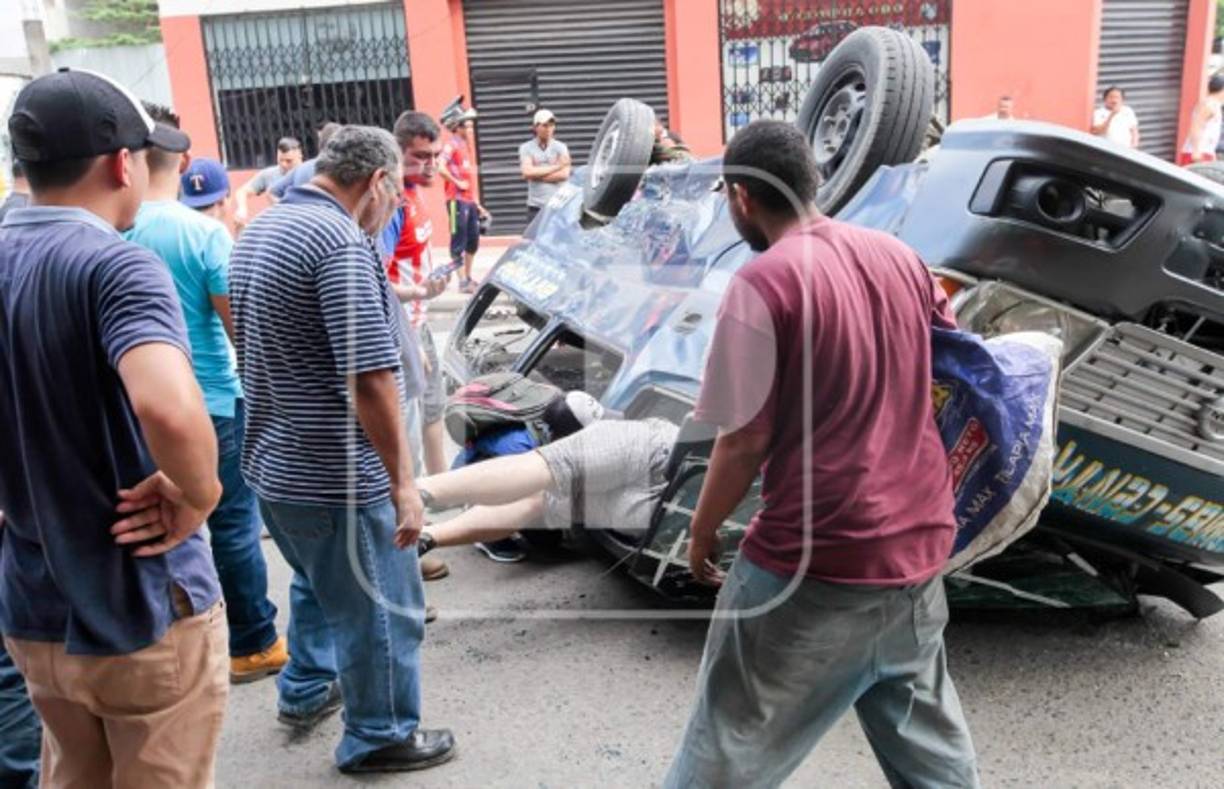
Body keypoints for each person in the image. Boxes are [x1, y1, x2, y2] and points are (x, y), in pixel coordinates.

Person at [663, 120, 979, 788]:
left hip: (815, 560)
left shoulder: (763, 283)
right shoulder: (899, 257)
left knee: (727, 744)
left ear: (742, 197)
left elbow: (743, 438)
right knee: (930, 753)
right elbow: (952, 366)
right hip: (917, 549)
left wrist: (701, 529)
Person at [0, 69, 228, 786]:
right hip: (139, 605)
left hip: (35, 611)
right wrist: (199, 492)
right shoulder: (116, 265)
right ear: (121, 164)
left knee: (74, 773)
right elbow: (167, 405)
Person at [229, 124, 455, 774]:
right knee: (382, 609)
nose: (396, 206)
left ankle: (305, 686)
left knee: (318, 584)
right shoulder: (338, 241)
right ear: (377, 182)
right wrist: (404, 484)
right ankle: (379, 734)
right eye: (397, 192)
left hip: (276, 466)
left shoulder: (262, 230)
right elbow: (370, 377)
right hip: (337, 477)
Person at [125, 103, 288, 685]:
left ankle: (167, 639)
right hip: (213, 401)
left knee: (154, 522)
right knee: (233, 523)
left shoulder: (109, 228)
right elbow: (238, 327)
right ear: (184, 161)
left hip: (134, 405)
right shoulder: (203, 233)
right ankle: (252, 642)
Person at [414, 391, 622, 557]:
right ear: (569, 435)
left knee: (550, 533)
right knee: (543, 531)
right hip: (478, 474)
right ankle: (486, 537)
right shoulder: (520, 448)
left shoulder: (552, 421)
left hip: (495, 462)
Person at [439, 103, 489, 294]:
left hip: (468, 201)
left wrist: (477, 203)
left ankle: (468, 277)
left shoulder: (465, 146)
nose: (470, 129)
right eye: (467, 125)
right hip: (455, 201)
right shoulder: (451, 145)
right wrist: (456, 182)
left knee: (473, 241)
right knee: (458, 241)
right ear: (457, 126)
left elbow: (469, 178)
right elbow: (440, 167)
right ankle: (461, 281)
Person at [234, 135, 301, 228]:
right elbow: (242, 192)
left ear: (299, 156)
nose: (284, 164)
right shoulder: (269, 174)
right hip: (279, 226)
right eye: (280, 160)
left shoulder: (309, 173)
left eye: (289, 161)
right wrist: (242, 209)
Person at [519, 108, 571, 224]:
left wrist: (535, 175)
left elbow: (564, 175)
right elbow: (527, 172)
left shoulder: (561, 147)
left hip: (558, 205)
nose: (549, 129)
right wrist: (557, 166)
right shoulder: (526, 148)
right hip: (536, 206)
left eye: (552, 125)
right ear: (535, 127)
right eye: (545, 125)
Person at [268, 121, 341, 200]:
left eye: (289, 161)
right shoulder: (341, 170)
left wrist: (286, 206)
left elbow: (272, 192)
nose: (284, 164)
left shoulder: (301, 168)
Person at [1180, 72, 1224, 165]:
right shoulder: (1208, 105)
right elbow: (1196, 127)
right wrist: (1196, 151)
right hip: (1196, 153)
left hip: (1205, 152)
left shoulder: (1215, 105)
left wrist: (1212, 154)